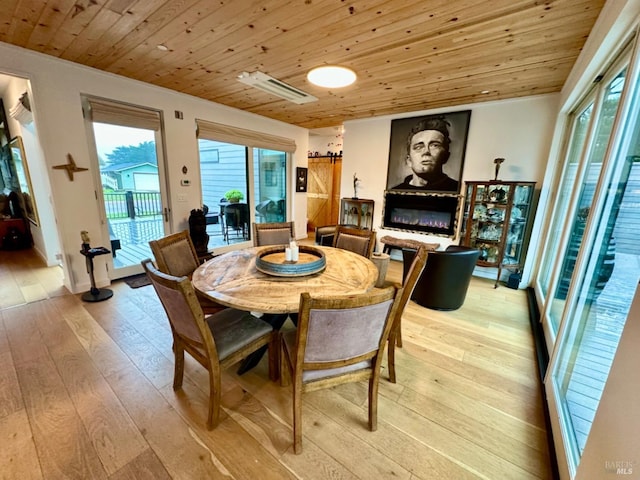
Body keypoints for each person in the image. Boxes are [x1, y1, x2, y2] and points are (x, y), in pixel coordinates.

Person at [392, 116, 459, 192]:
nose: (426, 151)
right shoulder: (395, 192)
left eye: (434, 145)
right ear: (409, 160)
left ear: (446, 156)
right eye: (418, 147)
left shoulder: (457, 189)